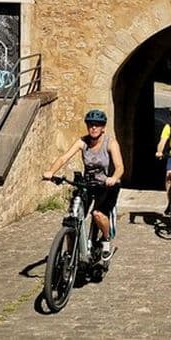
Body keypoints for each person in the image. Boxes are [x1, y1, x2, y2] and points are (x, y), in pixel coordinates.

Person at [43, 109, 123, 261]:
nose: (94, 128)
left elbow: (120, 167)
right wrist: (50, 171)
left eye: (97, 125)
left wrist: (113, 178)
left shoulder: (110, 143)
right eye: (91, 125)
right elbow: (64, 157)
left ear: (103, 128)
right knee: (73, 216)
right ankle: (71, 253)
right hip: (88, 184)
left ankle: (105, 240)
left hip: (107, 185)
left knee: (98, 214)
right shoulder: (82, 142)